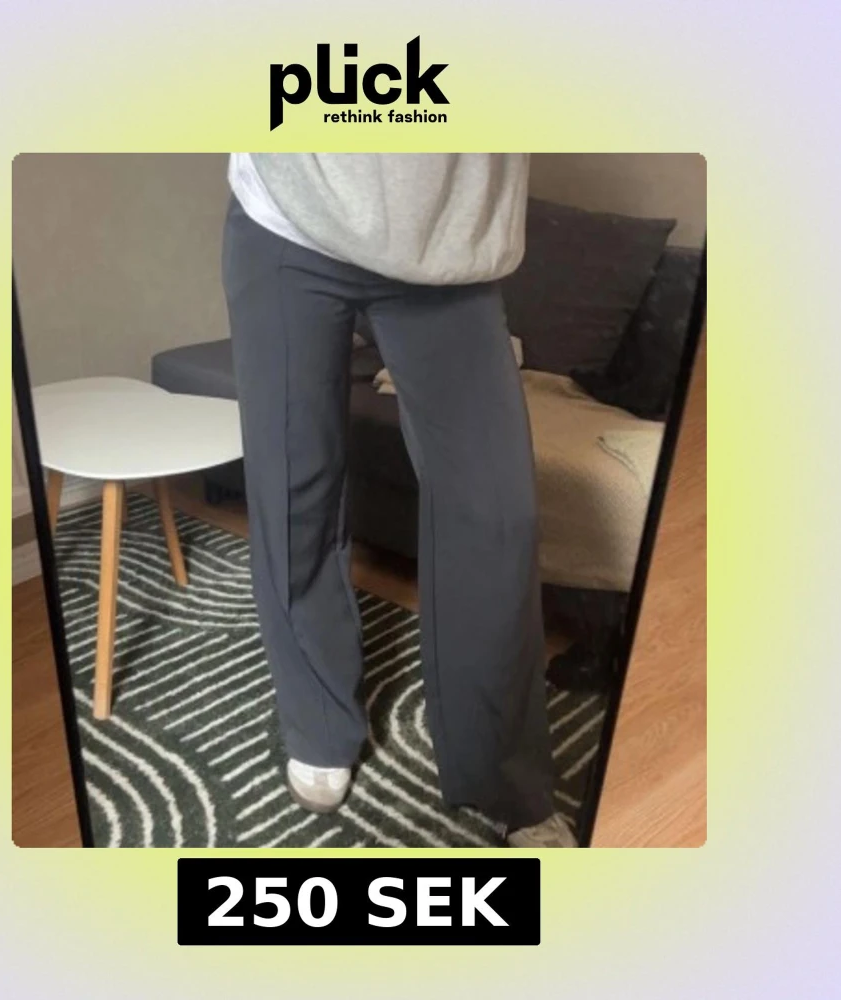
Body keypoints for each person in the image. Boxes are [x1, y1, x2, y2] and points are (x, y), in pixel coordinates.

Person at [221, 153, 575, 848]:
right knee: (293, 496)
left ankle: (505, 774)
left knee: (497, 516)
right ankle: (318, 722)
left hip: (452, 245)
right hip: (288, 220)